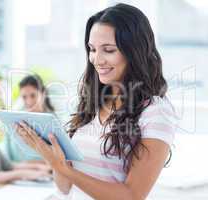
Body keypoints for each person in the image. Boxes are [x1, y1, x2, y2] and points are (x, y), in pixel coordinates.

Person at [14, 3, 177, 200]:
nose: (96, 59)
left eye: (108, 50)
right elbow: (65, 188)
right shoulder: (93, 104)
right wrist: (51, 156)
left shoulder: (155, 111)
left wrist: (63, 168)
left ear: (134, 51)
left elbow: (132, 196)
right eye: (92, 49)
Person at [2, 74, 55, 162]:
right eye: (24, 97)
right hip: (20, 173)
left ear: (43, 93)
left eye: (33, 95)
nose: (29, 102)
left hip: (47, 173)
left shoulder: (55, 122)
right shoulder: (14, 121)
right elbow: (7, 161)